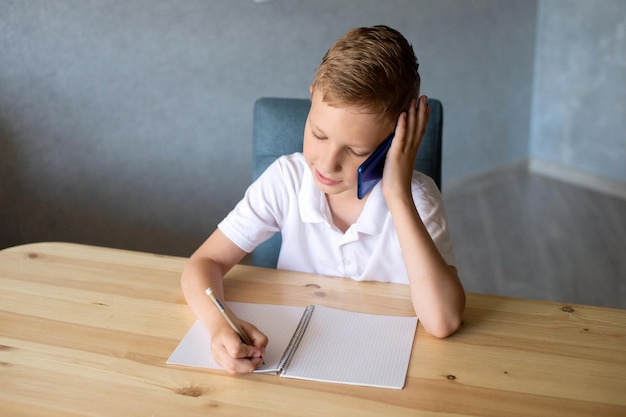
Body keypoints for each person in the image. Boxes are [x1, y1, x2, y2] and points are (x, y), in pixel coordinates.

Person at [181, 25, 465, 374]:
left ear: (395, 142)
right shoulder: (286, 179)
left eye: (357, 151)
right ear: (312, 97)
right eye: (318, 133)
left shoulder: (418, 200)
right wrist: (218, 324)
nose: (327, 164)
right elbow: (203, 262)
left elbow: (443, 321)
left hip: (376, 369)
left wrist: (397, 195)